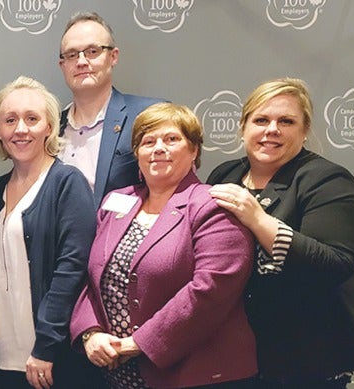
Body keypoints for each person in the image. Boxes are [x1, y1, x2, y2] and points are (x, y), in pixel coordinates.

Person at [71, 103, 258, 388]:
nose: (159, 148)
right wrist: (90, 332)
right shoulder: (116, 201)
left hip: (197, 374)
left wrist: (141, 342)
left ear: (194, 150)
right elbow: (90, 275)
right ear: (137, 153)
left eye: (171, 139)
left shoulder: (213, 205)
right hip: (118, 373)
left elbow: (212, 288)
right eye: (148, 142)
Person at [207, 78, 354, 388]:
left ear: (305, 131)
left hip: (306, 358)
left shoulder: (328, 180)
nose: (272, 129)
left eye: (286, 121)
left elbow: (335, 264)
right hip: (236, 357)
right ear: (243, 127)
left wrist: (258, 220)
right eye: (261, 120)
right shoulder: (225, 174)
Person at [0, 76, 96, 389]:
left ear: (49, 126)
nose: (20, 129)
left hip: (46, 360)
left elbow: (71, 270)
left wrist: (45, 347)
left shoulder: (67, 183)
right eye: (10, 120)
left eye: (32, 119)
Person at [57, 11, 164, 203]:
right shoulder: (49, 128)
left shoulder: (150, 115)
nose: (81, 62)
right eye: (71, 55)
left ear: (113, 56)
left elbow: (178, 192)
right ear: (62, 65)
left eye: (92, 51)